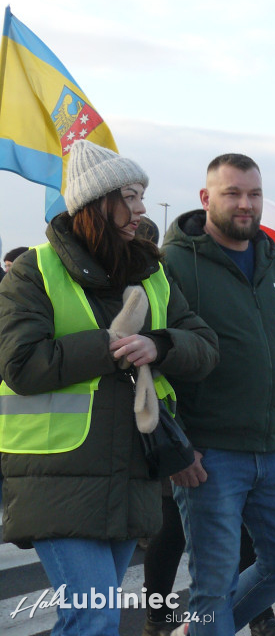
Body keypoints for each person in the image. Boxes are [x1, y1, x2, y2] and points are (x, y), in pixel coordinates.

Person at [0, 140, 218, 636]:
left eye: (143, 196)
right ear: (97, 203)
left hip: (134, 473)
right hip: (56, 475)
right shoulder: (34, 270)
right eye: (131, 196)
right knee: (93, 619)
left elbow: (205, 347)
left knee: (94, 616)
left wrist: (160, 345)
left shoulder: (152, 270)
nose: (142, 209)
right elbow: (21, 364)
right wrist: (113, 344)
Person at [162, 153, 275, 636]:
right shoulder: (174, 264)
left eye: (253, 194)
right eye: (232, 193)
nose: (244, 204)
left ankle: (203, 630)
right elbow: (156, 365)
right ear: (205, 197)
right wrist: (177, 447)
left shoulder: (274, 263)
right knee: (212, 585)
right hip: (209, 455)